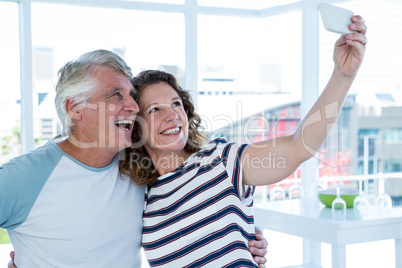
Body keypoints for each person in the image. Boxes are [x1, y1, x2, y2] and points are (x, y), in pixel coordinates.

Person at [119, 15, 367, 267]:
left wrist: (342, 76)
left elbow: (298, 148)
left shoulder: (220, 160)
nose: (172, 115)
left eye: (176, 104)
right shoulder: (141, 197)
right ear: (136, 129)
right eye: (154, 110)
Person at [2, 49, 268, 267]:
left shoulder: (137, 169)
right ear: (75, 108)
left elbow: (193, 209)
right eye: (116, 94)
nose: (132, 106)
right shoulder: (26, 177)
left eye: (131, 95)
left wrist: (243, 238)